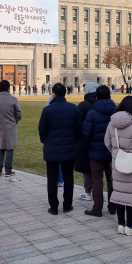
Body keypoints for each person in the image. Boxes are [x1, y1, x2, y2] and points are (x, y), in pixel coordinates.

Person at [104, 96, 132, 235]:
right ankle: (130, 226)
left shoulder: (112, 123)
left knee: (120, 193)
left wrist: (116, 151)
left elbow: (107, 142)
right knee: (130, 194)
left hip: (118, 160)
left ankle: (121, 224)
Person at [38, 83, 82, 215]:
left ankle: (54, 206)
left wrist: (46, 141)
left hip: (52, 147)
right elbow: (78, 129)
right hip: (68, 147)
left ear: (53, 94)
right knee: (68, 178)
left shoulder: (47, 110)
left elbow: (42, 130)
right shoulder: (74, 109)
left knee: (52, 179)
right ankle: (67, 205)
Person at [82, 85, 117, 217]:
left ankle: (97, 208)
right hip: (112, 150)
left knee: (97, 180)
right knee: (112, 179)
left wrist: (86, 148)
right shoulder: (116, 112)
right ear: (110, 96)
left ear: (97, 97)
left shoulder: (92, 113)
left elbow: (86, 133)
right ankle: (113, 206)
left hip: (96, 151)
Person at [0, 80, 22, 176]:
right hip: (10, 125)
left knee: (1, 147)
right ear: (9, 88)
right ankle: (8, 170)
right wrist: (14, 120)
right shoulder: (13, 99)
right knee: (10, 148)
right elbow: (19, 113)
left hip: (0, 125)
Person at [76, 82, 99, 201]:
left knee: (87, 167)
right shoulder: (102, 104)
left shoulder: (83, 105)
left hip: (86, 140)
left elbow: (78, 124)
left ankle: (88, 191)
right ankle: (98, 192)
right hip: (101, 141)